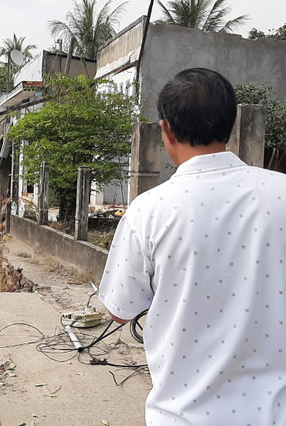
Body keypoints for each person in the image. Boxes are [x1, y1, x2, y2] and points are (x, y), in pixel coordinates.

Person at [98, 68, 286, 425]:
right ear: (230, 124)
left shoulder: (149, 210)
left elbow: (119, 310)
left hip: (182, 417)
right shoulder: (281, 193)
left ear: (166, 129)